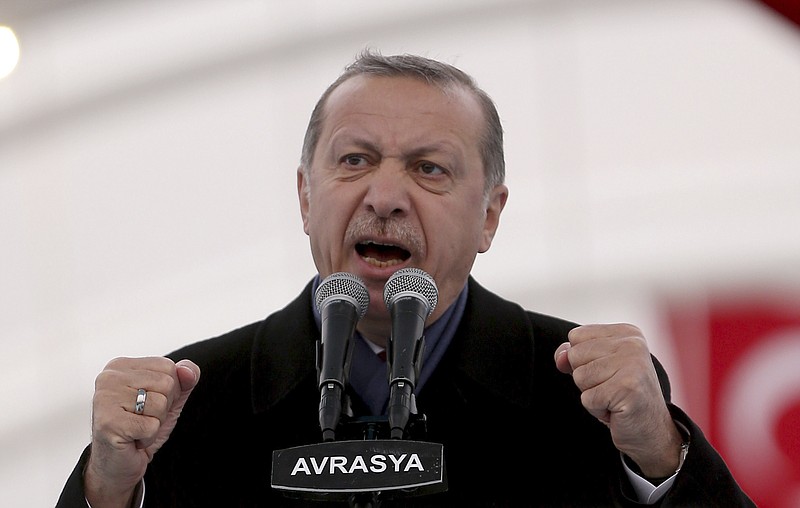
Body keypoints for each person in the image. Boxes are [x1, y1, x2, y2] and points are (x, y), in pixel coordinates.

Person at [56, 50, 755, 507]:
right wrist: (106, 492)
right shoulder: (191, 404)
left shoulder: (587, 400)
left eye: (429, 168)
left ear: (490, 216)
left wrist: (661, 459)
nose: (385, 196)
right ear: (306, 197)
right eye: (355, 161)